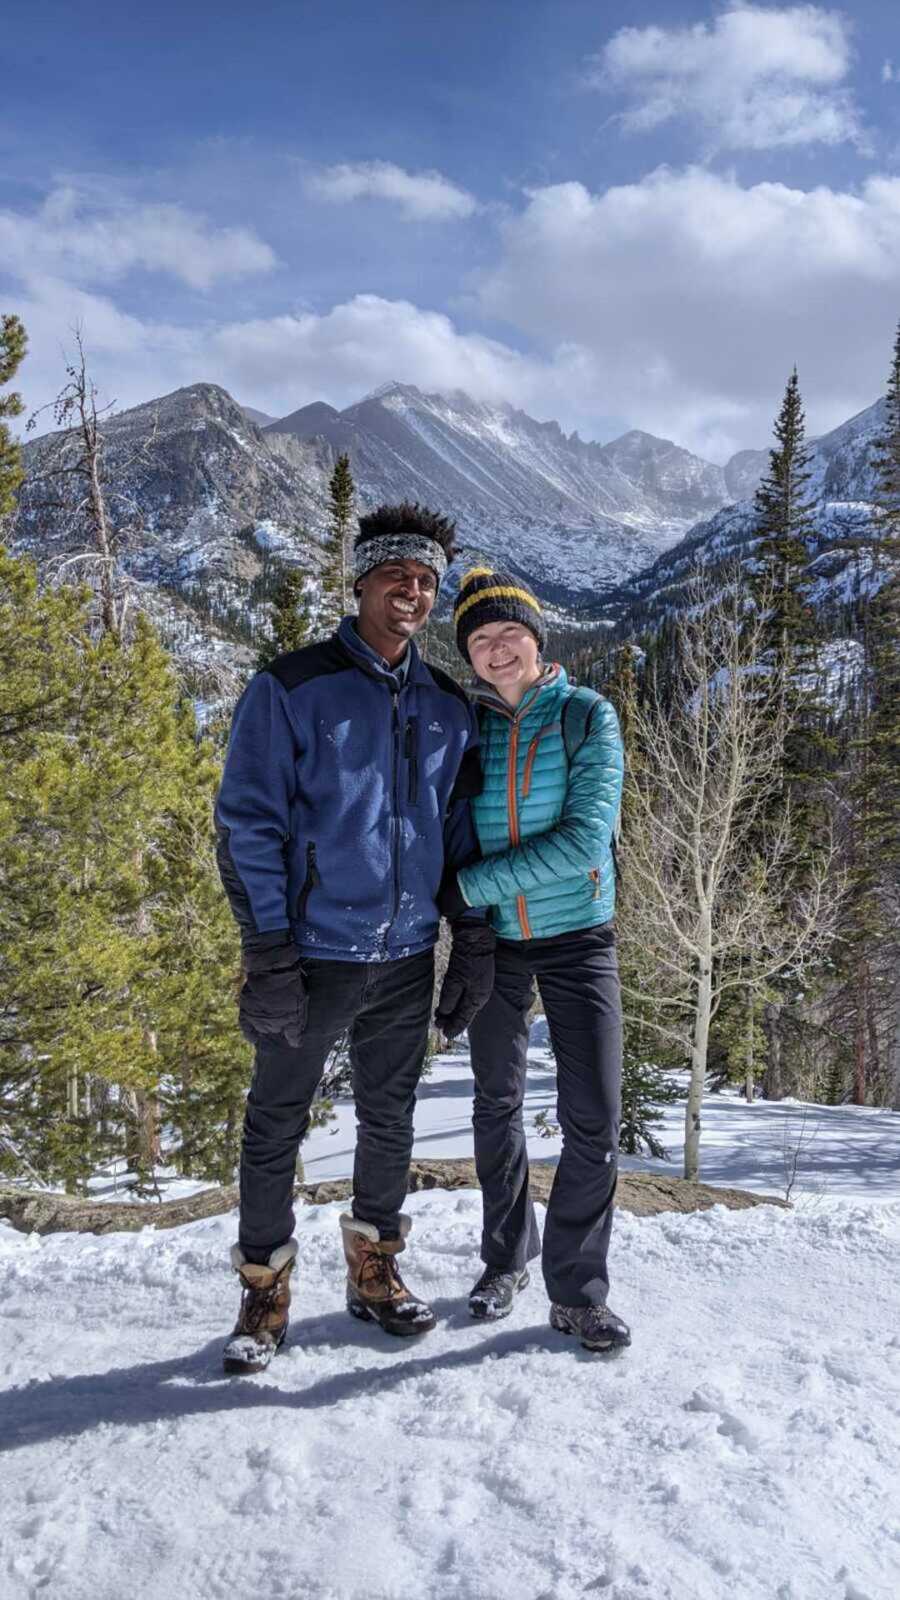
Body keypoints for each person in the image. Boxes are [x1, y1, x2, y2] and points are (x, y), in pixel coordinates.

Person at [214, 504, 494, 1375]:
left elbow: (456, 831)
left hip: (408, 956)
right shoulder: (293, 687)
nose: (411, 593)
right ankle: (264, 1288)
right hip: (312, 955)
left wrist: (470, 934)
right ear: (362, 581)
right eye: (396, 577)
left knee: (390, 1119)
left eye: (426, 582)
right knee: (275, 1125)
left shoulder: (449, 704)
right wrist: (267, 949)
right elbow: (248, 824)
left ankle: (374, 1270)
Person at [439, 565, 631, 1353]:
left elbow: (587, 842)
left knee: (594, 1117)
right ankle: (504, 1259)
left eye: (508, 633)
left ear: (537, 639)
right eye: (480, 640)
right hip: (499, 944)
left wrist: (470, 884)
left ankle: (578, 1289)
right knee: (495, 1105)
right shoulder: (470, 726)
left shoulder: (587, 716)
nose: (495, 649)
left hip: (580, 937)